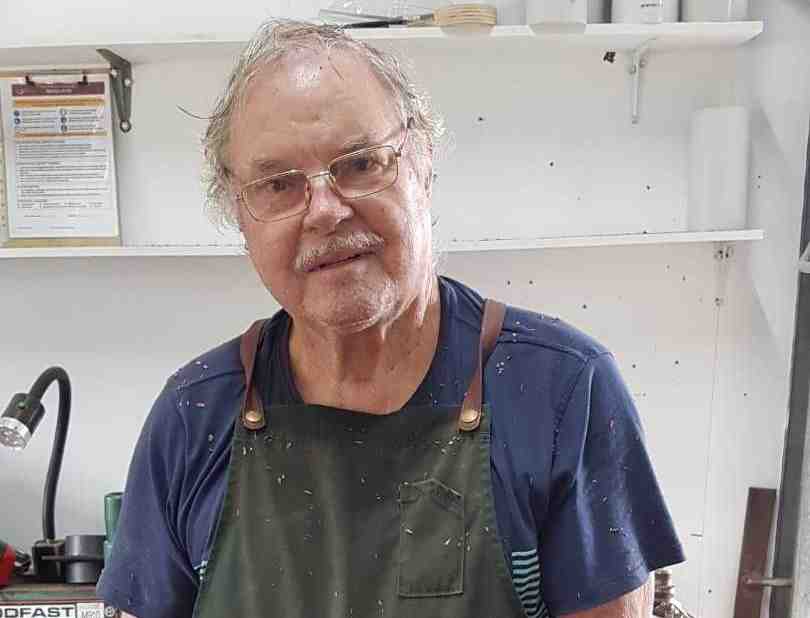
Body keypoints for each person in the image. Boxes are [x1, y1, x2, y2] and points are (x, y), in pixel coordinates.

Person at [97, 19, 684, 618]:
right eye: (278, 184)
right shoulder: (193, 419)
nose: (324, 211)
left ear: (423, 162)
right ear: (239, 211)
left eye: (359, 164)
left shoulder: (560, 392)